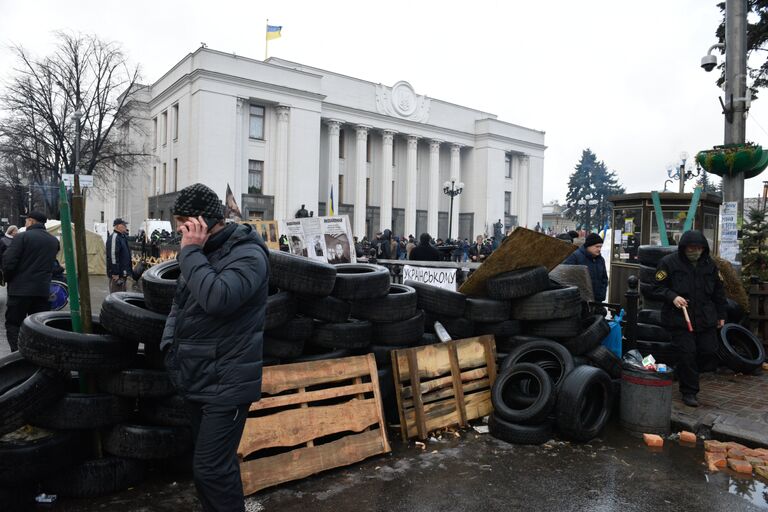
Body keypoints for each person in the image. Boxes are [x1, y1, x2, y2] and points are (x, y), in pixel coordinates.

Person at [161, 183, 268, 511]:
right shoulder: (203, 252)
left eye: (183, 222)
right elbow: (180, 305)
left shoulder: (248, 253)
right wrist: (169, 346)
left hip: (229, 381)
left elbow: (218, 298)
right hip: (197, 374)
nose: (179, 230)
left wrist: (190, 252)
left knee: (209, 470)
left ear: (202, 222)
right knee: (216, 469)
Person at [651, 230, 726, 408]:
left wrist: (722, 314)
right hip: (679, 319)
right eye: (692, 248)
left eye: (699, 248)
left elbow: (719, 292)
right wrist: (672, 296)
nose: (696, 251)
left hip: (705, 318)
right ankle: (689, 391)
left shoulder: (710, 265)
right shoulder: (668, 263)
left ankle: (682, 371)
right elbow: (655, 288)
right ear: (684, 248)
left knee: (709, 351)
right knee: (687, 353)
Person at [2, 212, 59, 351]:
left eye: (27, 221)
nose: (25, 224)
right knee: (39, 326)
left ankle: (17, 356)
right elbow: (52, 265)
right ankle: (37, 356)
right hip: (42, 291)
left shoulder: (21, 237)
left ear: (31, 221)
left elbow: (8, 263)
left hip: (20, 291)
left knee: (14, 324)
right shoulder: (53, 241)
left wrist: (7, 279)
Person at [563, 233, 609, 302]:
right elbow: (567, 277)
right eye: (597, 247)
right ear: (588, 246)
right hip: (580, 301)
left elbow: (604, 279)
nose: (599, 249)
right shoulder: (575, 256)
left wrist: (601, 295)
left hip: (597, 300)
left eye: (600, 247)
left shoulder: (600, 259)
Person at [106, 218, 132, 293]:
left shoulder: (122, 237)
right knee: (117, 297)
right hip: (117, 276)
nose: (125, 226)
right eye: (123, 225)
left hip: (122, 274)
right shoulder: (115, 238)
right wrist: (115, 273)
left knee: (122, 297)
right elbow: (113, 256)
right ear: (117, 226)